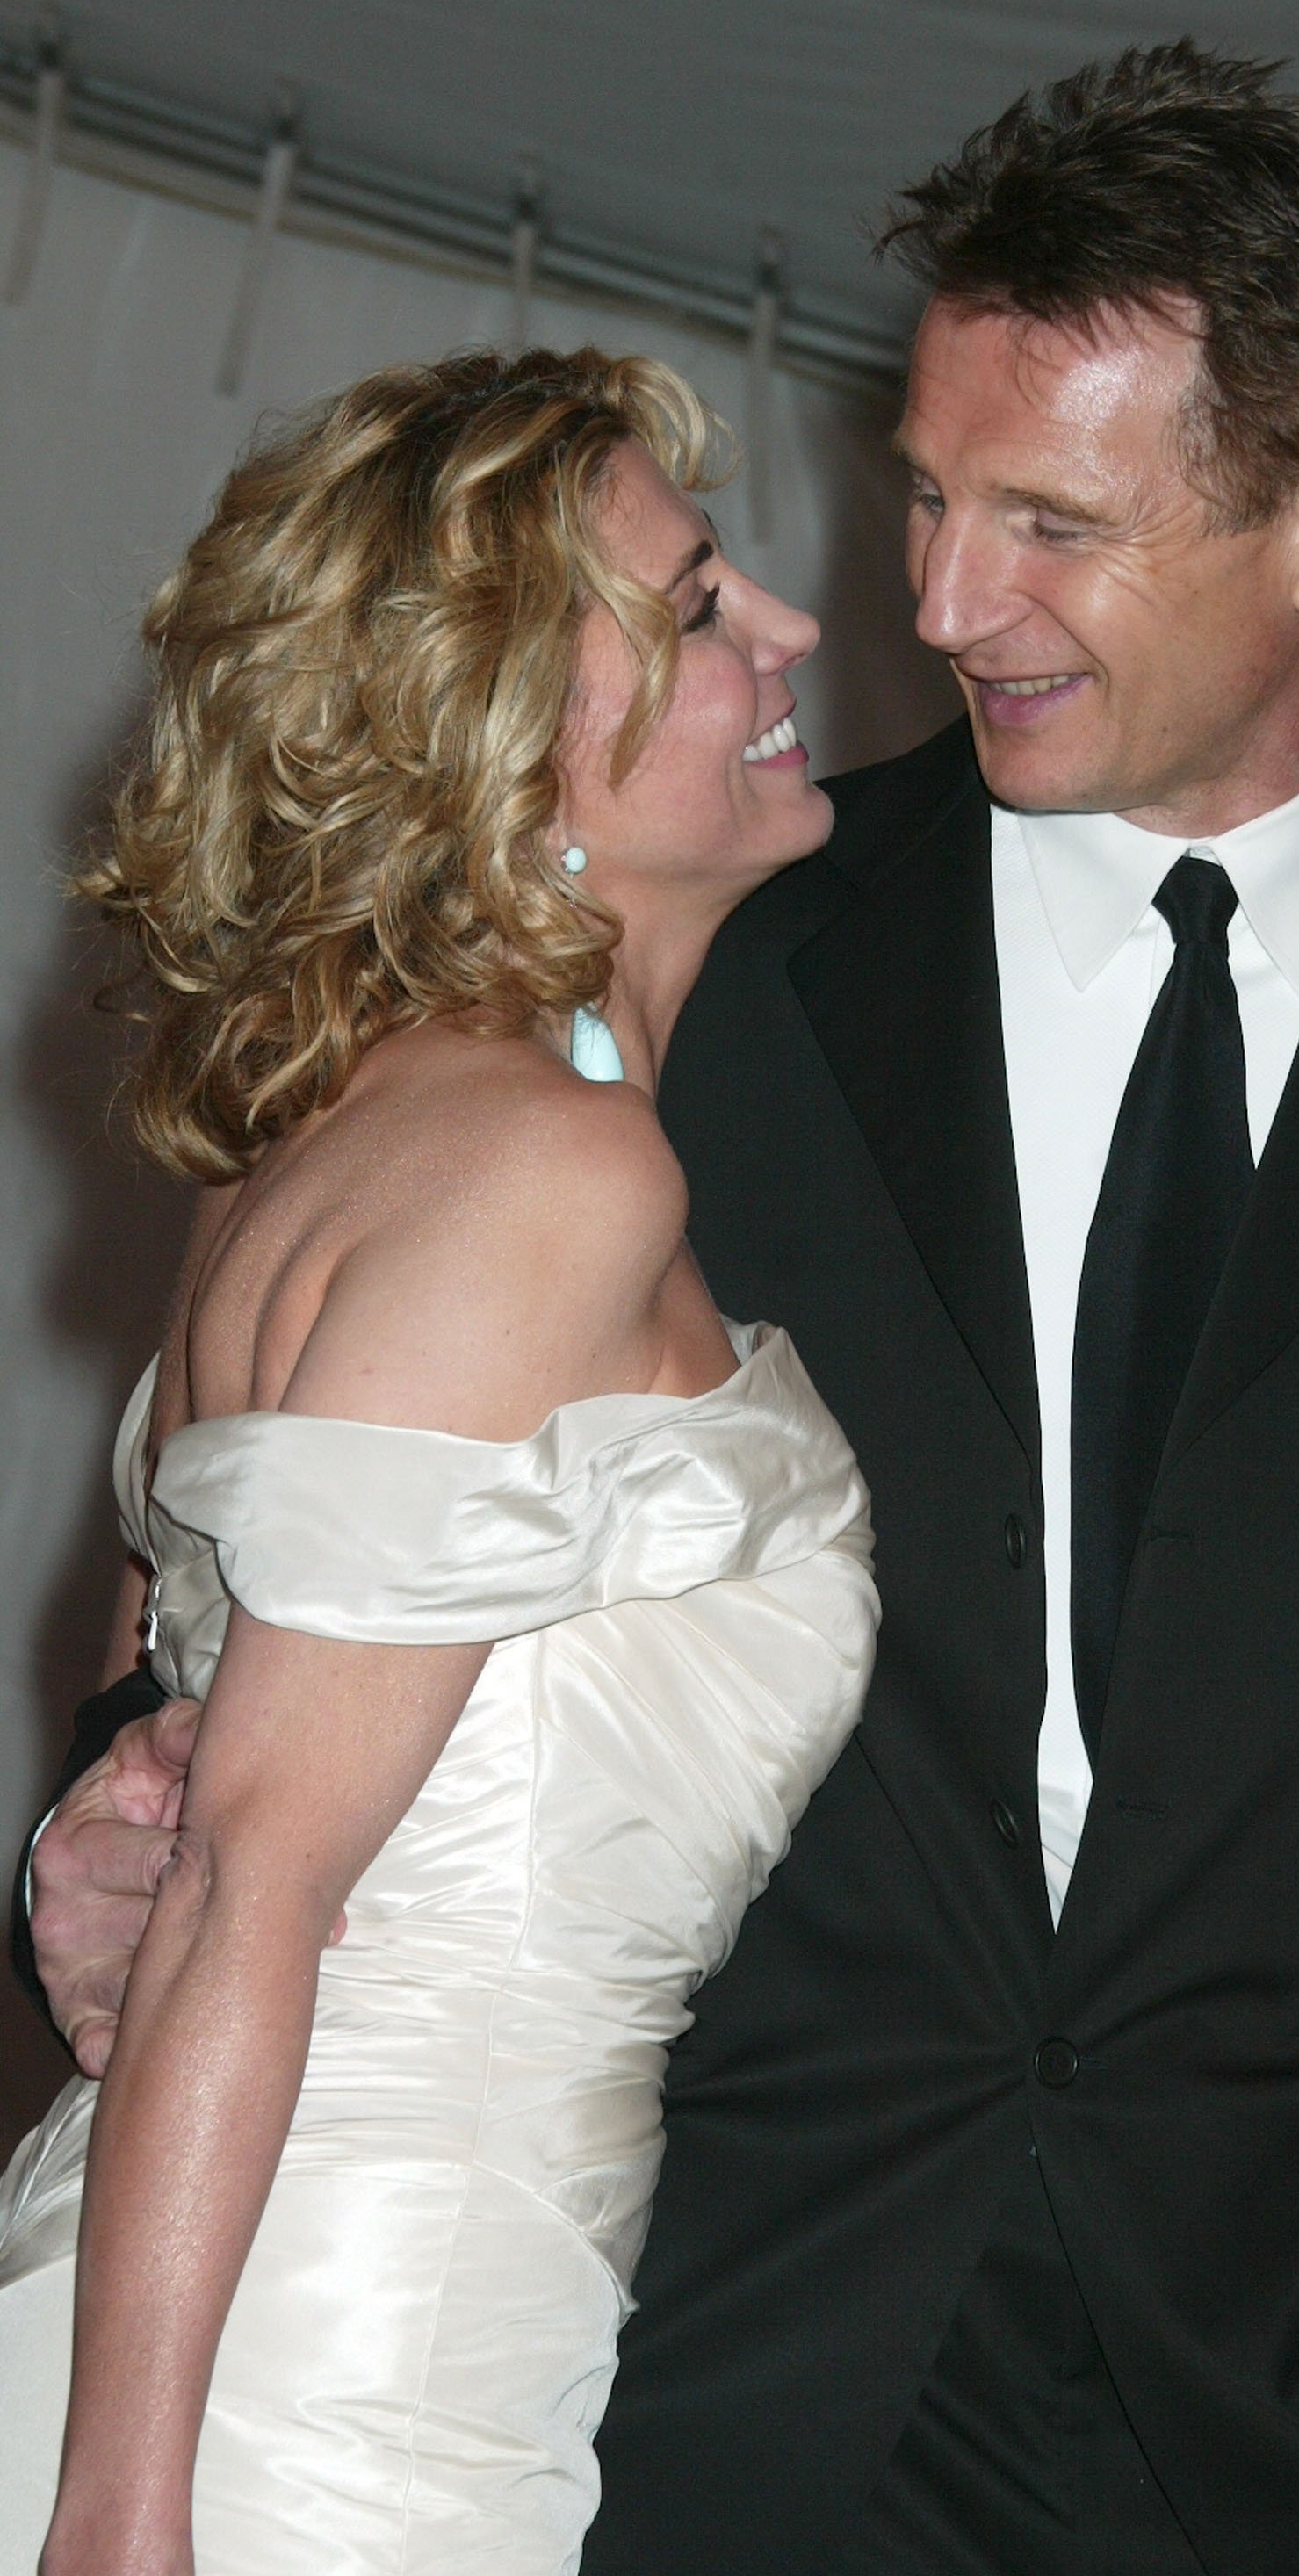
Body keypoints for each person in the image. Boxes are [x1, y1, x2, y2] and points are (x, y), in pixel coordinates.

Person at [22, 40, 1299, 2576]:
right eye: (927, 499)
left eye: (1050, 525)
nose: (939, 603)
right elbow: (333, 1487)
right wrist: (108, 1788)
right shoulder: (725, 931)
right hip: (715, 2362)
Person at [0, 344, 878, 2574]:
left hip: (326, 2293)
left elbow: (164, 1728)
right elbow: (242, 1878)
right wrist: (128, 2524)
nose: (782, 629)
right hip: (324, 2361)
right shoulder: (542, 1176)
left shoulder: (347, 1150)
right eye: (692, 608)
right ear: (510, 749)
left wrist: (91, 1822)